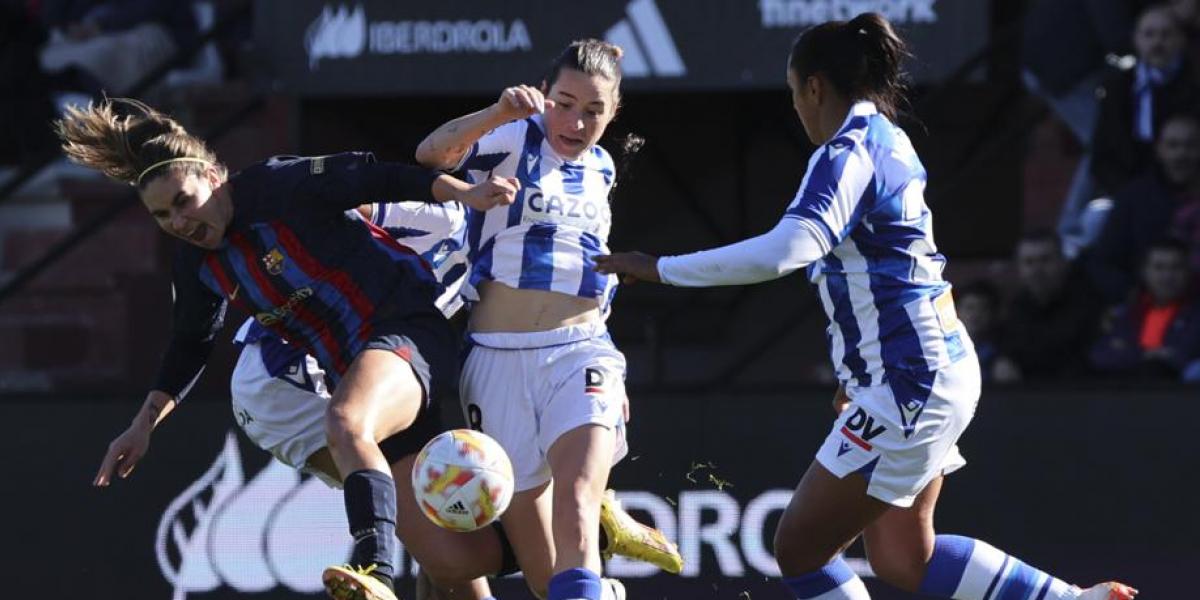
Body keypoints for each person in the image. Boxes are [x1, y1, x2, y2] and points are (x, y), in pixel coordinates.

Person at [596, 13, 1136, 600]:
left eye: (793, 92)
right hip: (930, 369)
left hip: (909, 381)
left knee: (798, 552)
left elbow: (788, 249)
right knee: (906, 557)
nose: (796, 109)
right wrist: (858, 373)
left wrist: (660, 269)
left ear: (815, 88)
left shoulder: (847, 151)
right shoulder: (886, 136)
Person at [63, 97, 520, 600]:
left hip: (407, 331)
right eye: (162, 215)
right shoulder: (195, 263)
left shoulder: (278, 185)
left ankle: (374, 571)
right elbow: (191, 343)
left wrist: (466, 192)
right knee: (449, 562)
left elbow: (380, 177)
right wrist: (142, 425)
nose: (177, 220)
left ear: (214, 176)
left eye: (183, 201)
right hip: (358, 372)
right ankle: (572, 527)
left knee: (346, 424)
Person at [230, 200, 652, 600]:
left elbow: (583, 307)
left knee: (544, 577)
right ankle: (376, 567)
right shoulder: (447, 214)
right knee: (451, 558)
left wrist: (605, 364)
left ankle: (587, 527)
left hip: (394, 358)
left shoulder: (541, 242)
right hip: (295, 381)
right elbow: (328, 208)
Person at [416, 39, 682, 600]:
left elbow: (587, 263)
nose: (577, 121)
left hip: (580, 351)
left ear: (613, 113)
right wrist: (497, 112)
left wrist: (609, 371)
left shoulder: (603, 169)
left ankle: (600, 523)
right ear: (543, 96)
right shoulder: (515, 135)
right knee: (547, 580)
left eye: (594, 111)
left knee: (577, 496)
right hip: (494, 359)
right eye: (564, 103)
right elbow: (430, 157)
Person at [1088, 111, 1200, 302]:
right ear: (1159, 150)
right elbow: (1104, 262)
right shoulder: (1134, 198)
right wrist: (1134, 297)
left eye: (1190, 145)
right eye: (1173, 145)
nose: (1181, 154)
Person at [1091, 4, 1199, 197]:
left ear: (1181, 40)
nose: (1157, 43)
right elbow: (1103, 155)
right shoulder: (1119, 88)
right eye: (1149, 35)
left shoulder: (1194, 84)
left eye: (1166, 34)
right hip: (1130, 192)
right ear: (1136, 40)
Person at [997, 231, 1103, 381]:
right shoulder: (1016, 308)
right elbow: (1009, 350)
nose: (1037, 270)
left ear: (1062, 262)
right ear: (1019, 269)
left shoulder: (1087, 302)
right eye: (1029, 262)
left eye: (1045, 260)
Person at [1090, 238, 1200, 379]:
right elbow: (1100, 356)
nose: (1167, 276)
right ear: (1145, 271)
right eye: (1159, 267)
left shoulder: (1195, 314)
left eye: (1176, 267)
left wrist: (1130, 353)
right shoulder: (1129, 312)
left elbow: (1182, 357)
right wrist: (1147, 354)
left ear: (1188, 271)